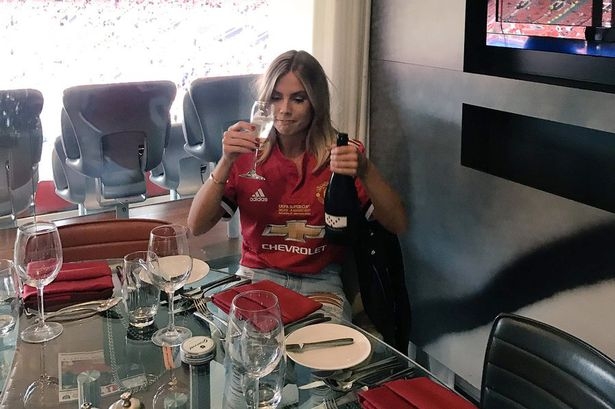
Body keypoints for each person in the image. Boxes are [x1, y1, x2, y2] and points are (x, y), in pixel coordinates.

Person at [187, 50, 407, 322]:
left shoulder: (340, 154)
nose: (284, 110)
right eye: (275, 97)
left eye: (298, 99)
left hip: (320, 281)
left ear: (316, 103)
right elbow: (196, 226)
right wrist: (225, 161)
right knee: (235, 340)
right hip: (256, 275)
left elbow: (398, 223)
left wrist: (366, 169)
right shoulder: (247, 152)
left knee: (326, 344)